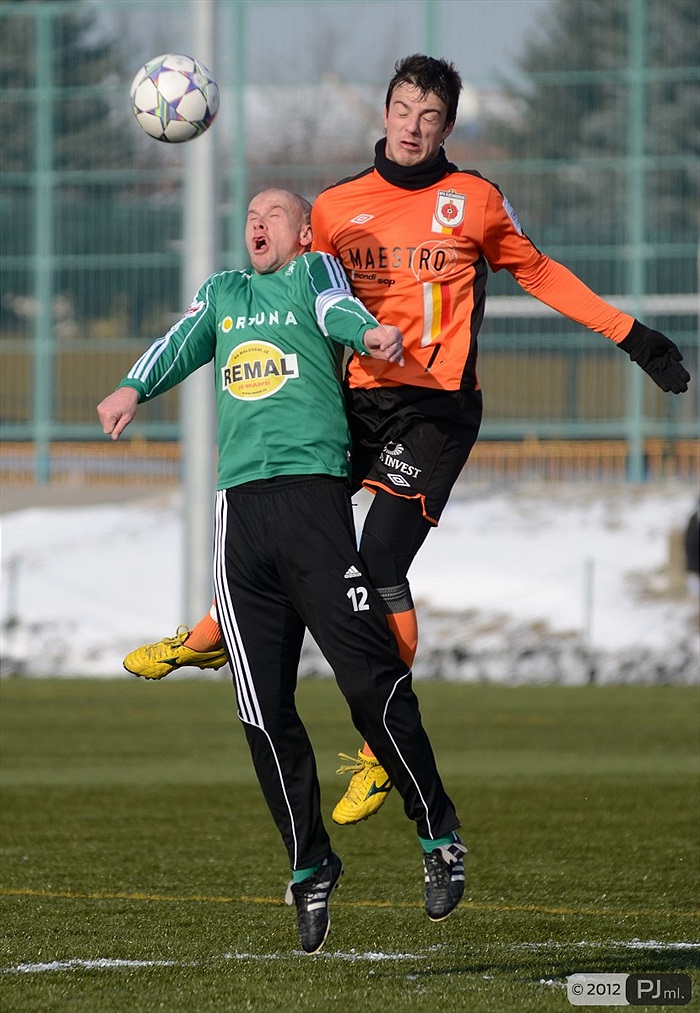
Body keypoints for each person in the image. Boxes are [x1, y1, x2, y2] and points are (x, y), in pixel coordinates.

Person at [124, 54, 691, 825]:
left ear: (447, 126)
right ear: (384, 113)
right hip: (352, 403)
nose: (413, 126)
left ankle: (376, 754)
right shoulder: (333, 208)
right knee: (301, 536)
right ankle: (211, 635)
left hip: (434, 412)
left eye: (429, 116)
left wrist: (632, 336)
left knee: (378, 559)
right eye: (402, 110)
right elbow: (302, 306)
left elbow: (541, 272)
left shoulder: (477, 200)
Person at [97, 188, 466, 954]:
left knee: (369, 679)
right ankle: (309, 864)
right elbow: (178, 341)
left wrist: (370, 334)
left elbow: (339, 308)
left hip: (312, 506)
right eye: (251, 215)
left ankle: (437, 833)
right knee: (262, 708)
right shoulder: (225, 294)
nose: (257, 224)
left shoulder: (313, 273)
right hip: (241, 517)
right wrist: (133, 386)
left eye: (275, 215)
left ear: (302, 233)